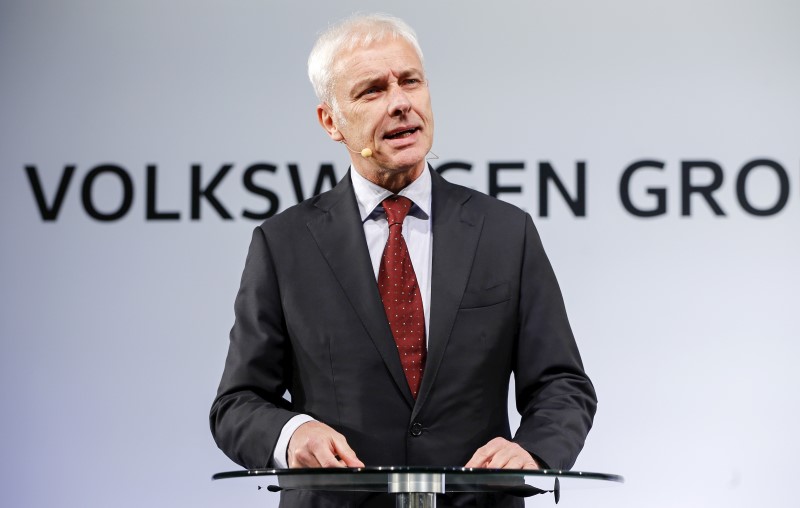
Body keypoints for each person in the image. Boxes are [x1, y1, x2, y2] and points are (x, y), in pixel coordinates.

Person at [210, 13, 597, 507]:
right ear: (331, 121)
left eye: (410, 81)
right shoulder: (284, 244)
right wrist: (293, 433)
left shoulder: (505, 232)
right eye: (372, 91)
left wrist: (533, 451)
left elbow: (562, 383)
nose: (400, 103)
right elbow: (236, 404)